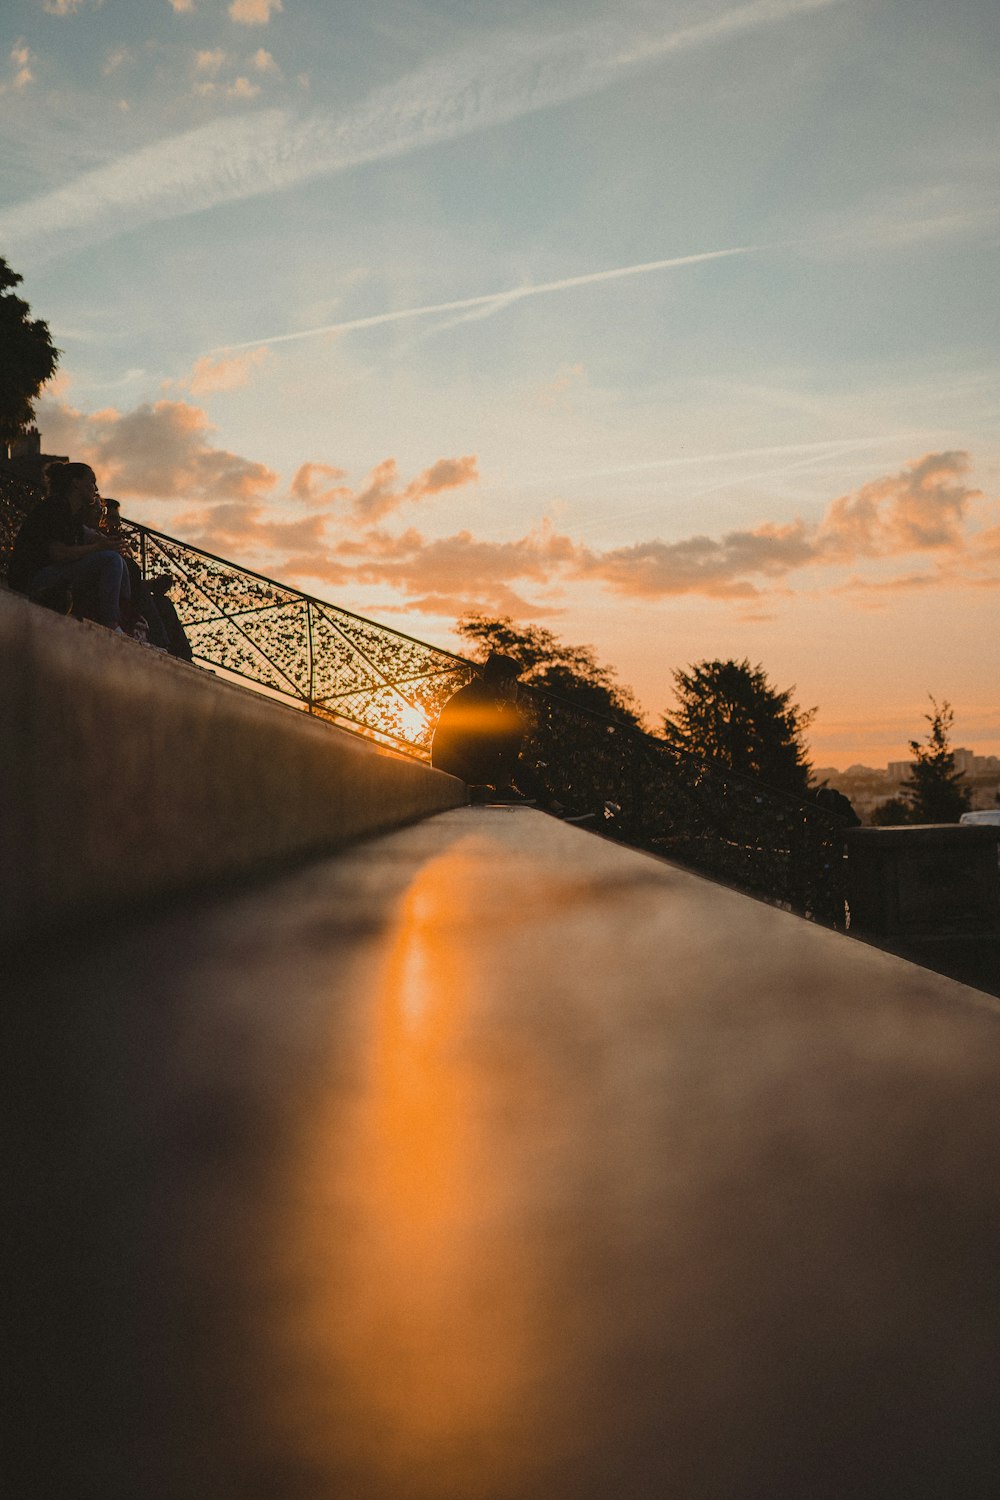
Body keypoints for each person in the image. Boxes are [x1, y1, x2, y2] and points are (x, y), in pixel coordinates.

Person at [8, 462, 130, 632]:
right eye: (92, 481)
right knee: (111, 560)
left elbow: (88, 539)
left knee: (120, 561)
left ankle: (129, 622)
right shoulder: (56, 507)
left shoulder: (71, 514)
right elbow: (59, 554)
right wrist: (98, 548)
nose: (95, 488)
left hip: (50, 575)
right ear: (76, 483)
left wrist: (107, 544)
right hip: (33, 579)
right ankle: (111, 623)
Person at [431, 653, 527, 796]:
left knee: (516, 762)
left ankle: (552, 804)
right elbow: (507, 734)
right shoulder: (476, 699)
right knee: (513, 750)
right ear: (501, 680)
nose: (514, 685)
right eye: (512, 680)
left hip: (456, 763)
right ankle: (504, 789)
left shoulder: (477, 694)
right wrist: (511, 704)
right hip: (454, 767)